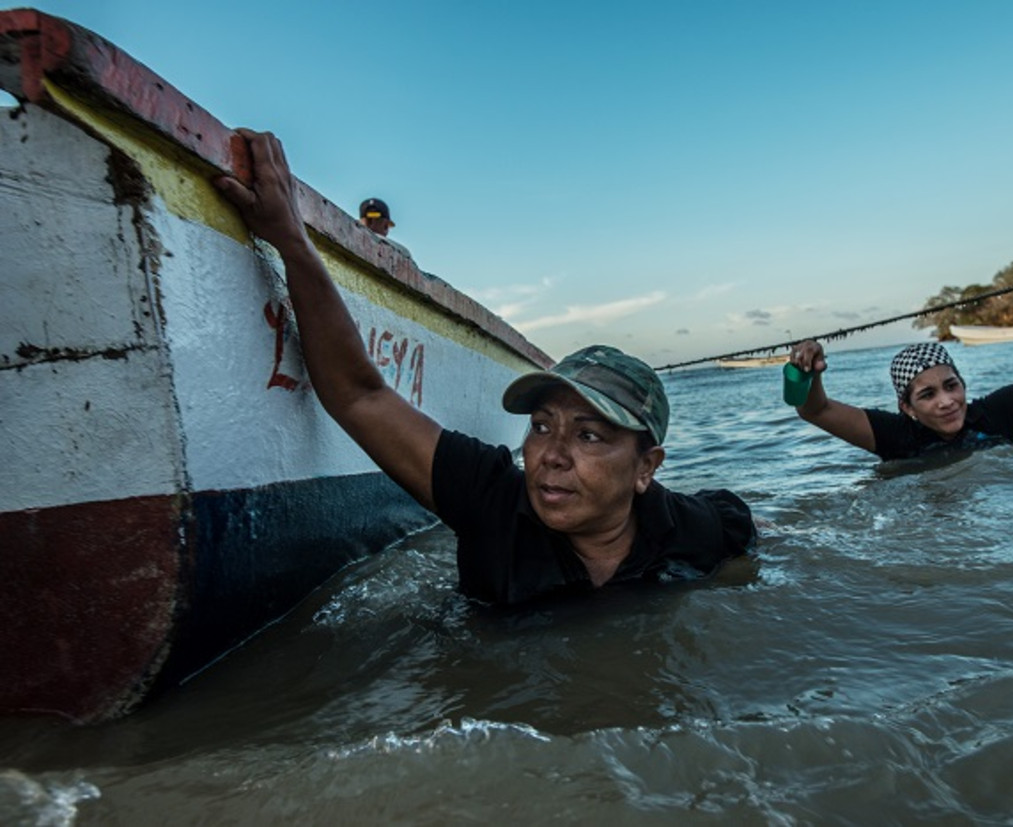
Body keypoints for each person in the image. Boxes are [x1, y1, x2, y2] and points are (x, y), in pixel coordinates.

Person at [215, 130, 756, 605]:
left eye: (590, 436)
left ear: (646, 467)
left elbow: (748, 537)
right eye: (541, 427)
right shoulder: (489, 497)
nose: (552, 457)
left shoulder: (696, 530)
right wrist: (292, 242)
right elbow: (361, 397)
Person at [787, 333, 1013, 462]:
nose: (947, 401)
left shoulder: (992, 415)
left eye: (952, 386)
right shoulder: (895, 434)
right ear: (907, 408)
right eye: (928, 394)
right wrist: (811, 371)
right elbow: (816, 411)